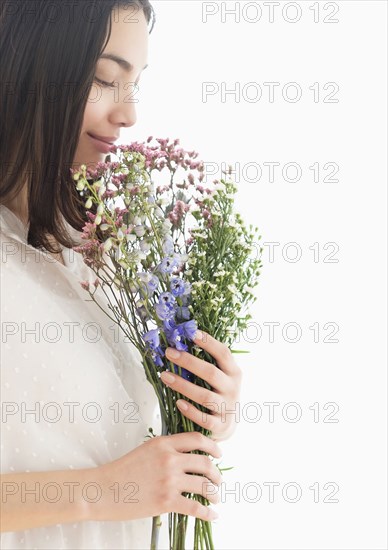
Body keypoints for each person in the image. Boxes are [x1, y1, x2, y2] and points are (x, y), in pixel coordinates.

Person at [0, 1, 242, 548]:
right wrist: (103, 491)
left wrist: (197, 416)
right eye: (105, 79)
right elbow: (116, 482)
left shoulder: (100, 250)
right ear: (30, 74)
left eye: (135, 84)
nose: (129, 114)